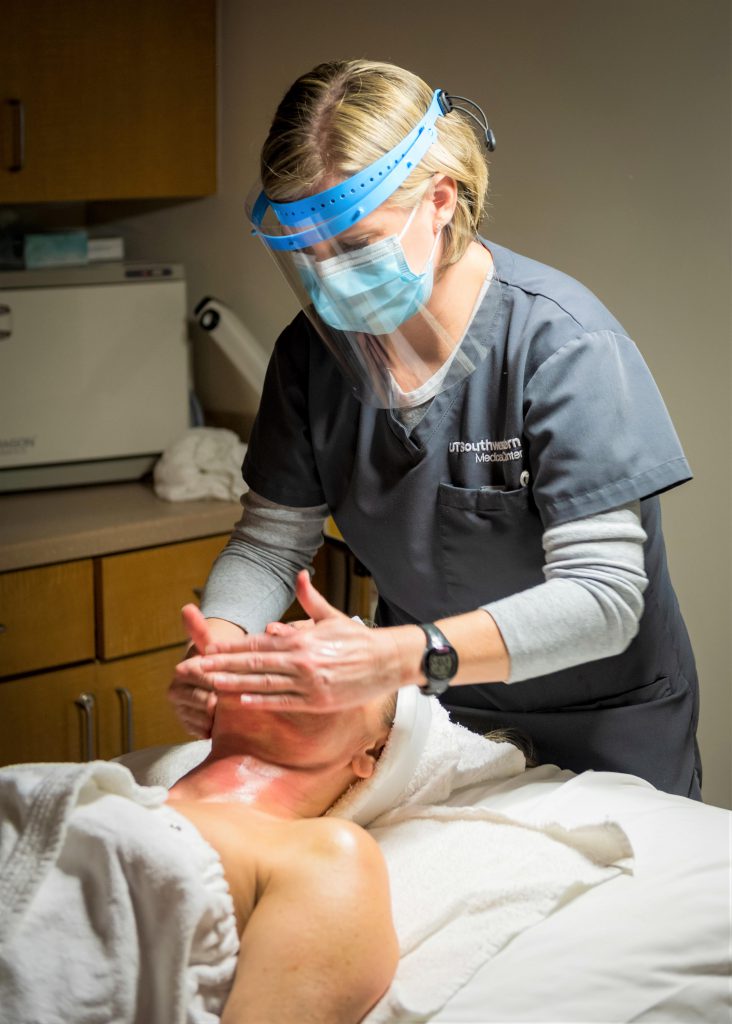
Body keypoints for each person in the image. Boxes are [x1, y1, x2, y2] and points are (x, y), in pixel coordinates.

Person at [169, 58, 701, 800]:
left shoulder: (563, 345)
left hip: (601, 730)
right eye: (308, 256)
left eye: (355, 246)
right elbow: (269, 543)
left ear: (440, 200)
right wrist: (225, 644)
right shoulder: (312, 354)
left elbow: (603, 601)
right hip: (427, 724)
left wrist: (396, 657)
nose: (330, 281)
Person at [0, 689, 399, 1024]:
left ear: (372, 752)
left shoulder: (326, 853)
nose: (281, 635)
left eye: (335, 654)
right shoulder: (107, 790)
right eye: (277, 638)